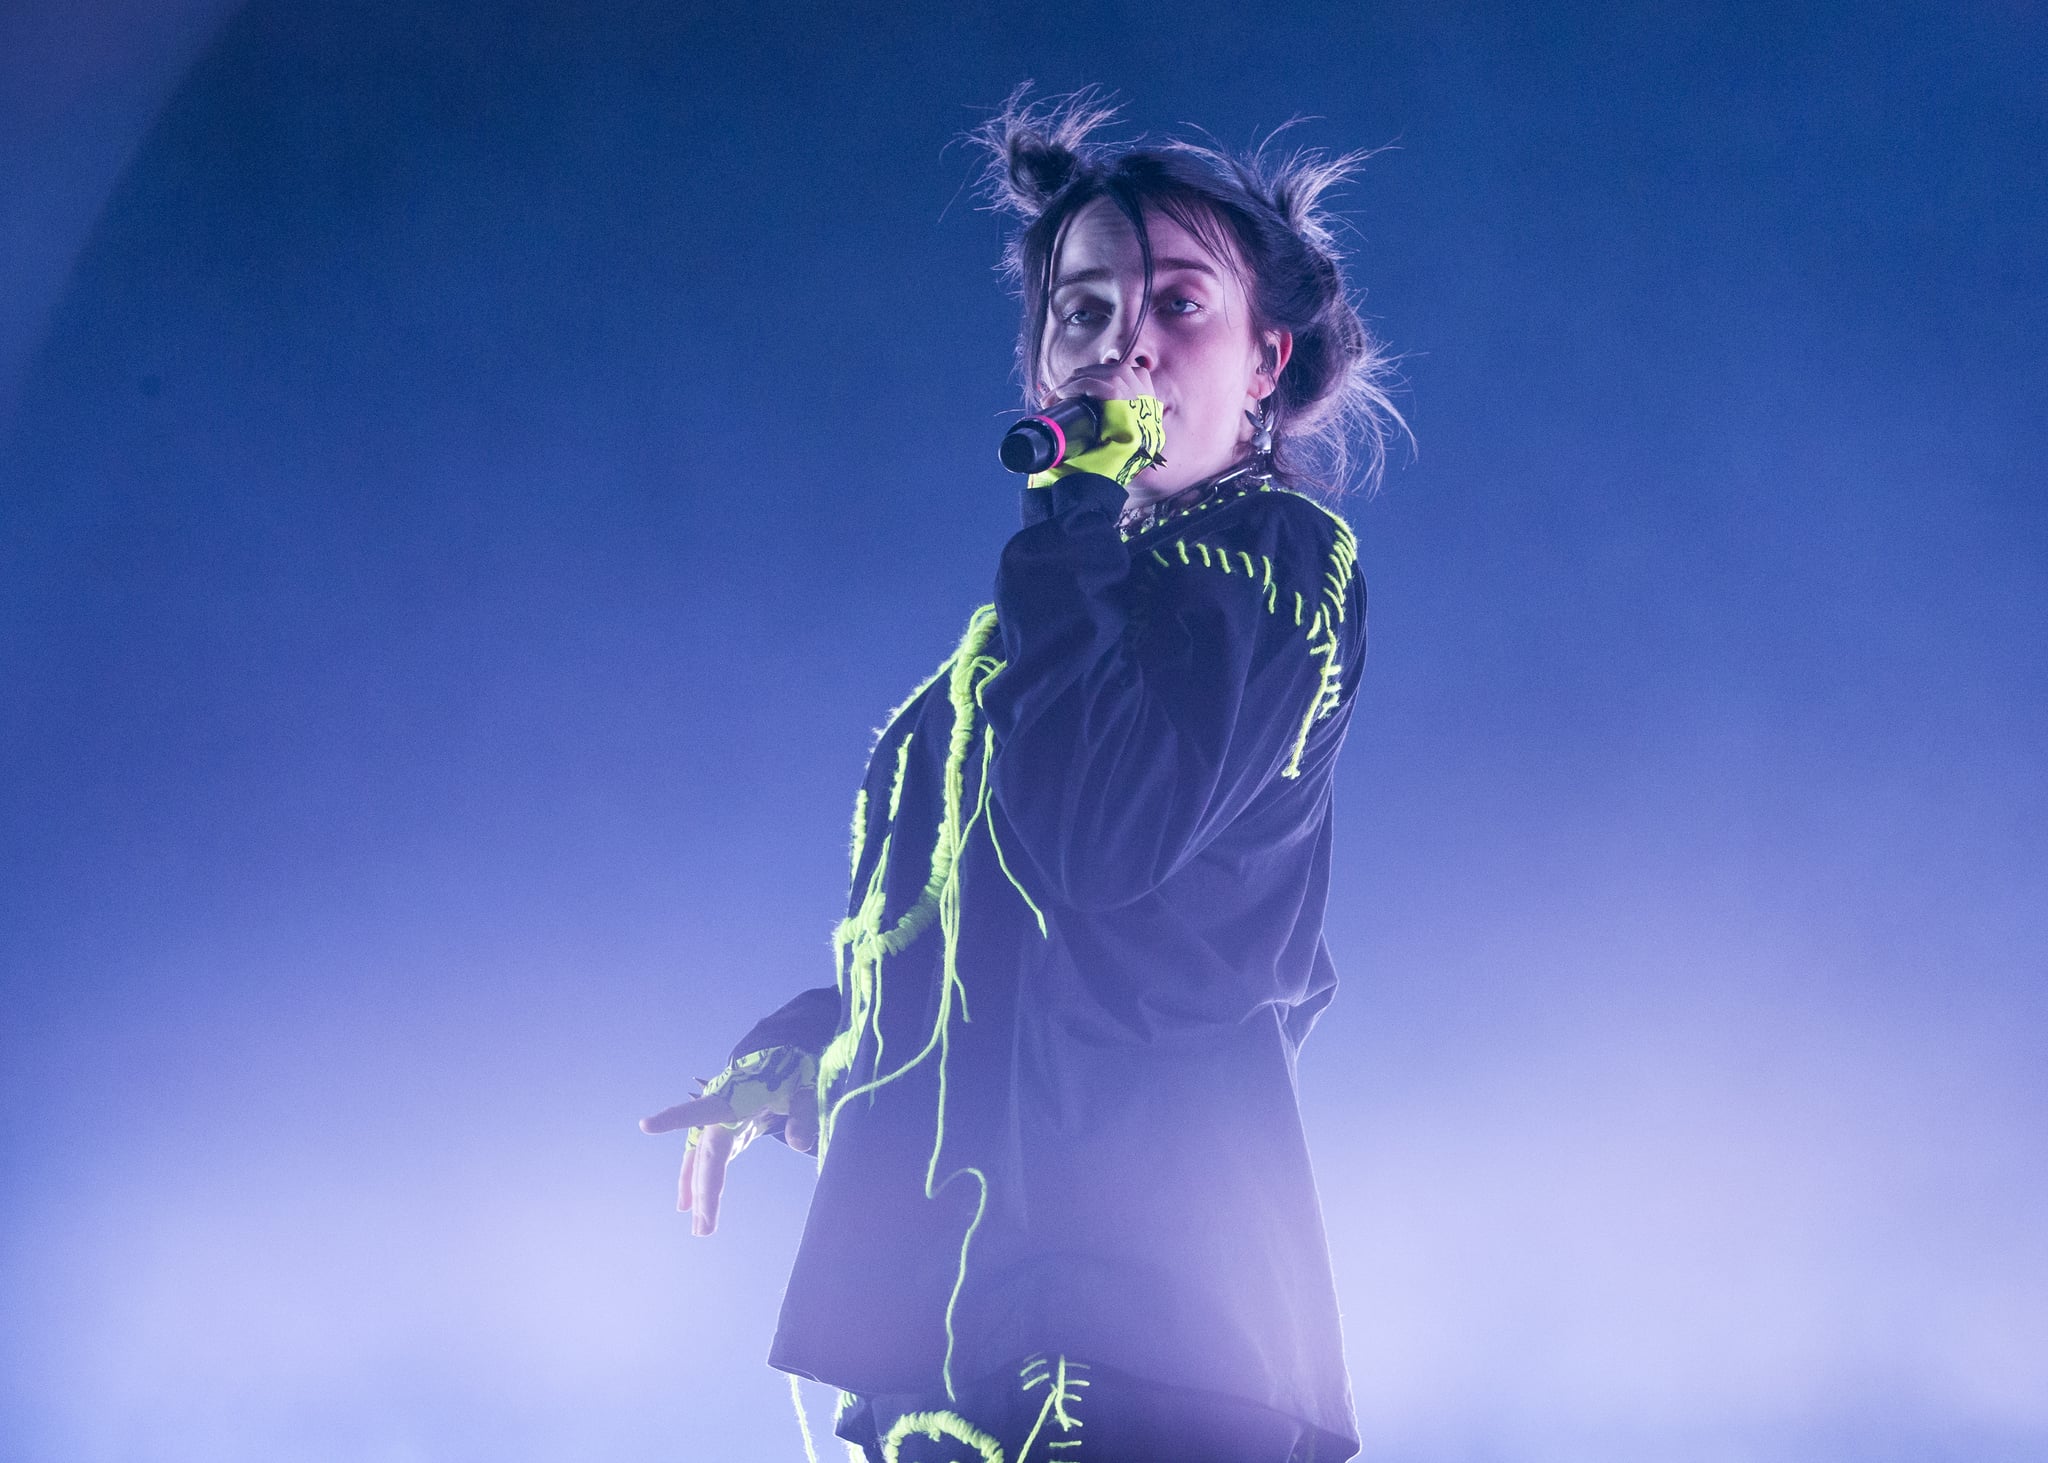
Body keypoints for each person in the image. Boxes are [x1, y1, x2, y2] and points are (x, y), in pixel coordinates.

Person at [641, 88, 1405, 1463]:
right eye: (1086, 312)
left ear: (1265, 363)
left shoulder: (1275, 567)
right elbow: (1001, 963)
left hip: (1148, 1341)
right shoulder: (1037, 632)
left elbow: (1101, 844)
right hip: (958, 1347)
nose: (1127, 347)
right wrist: (817, 1044)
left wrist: (1069, 526)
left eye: (1180, 306)